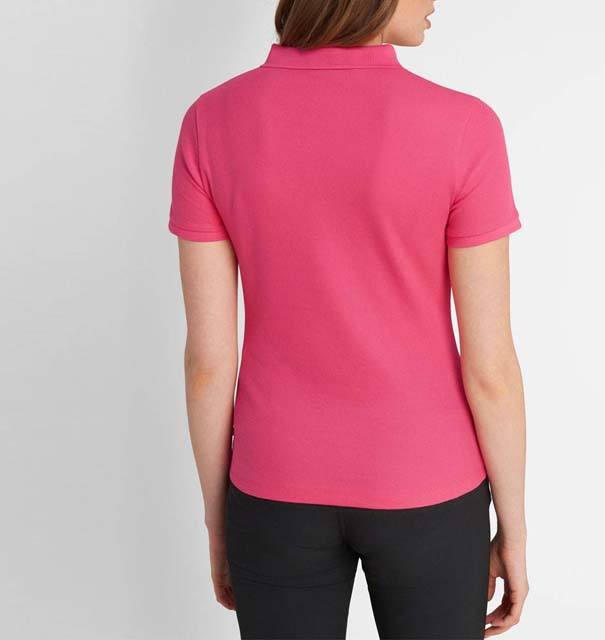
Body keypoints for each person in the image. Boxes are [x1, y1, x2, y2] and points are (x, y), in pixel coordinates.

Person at [168, 0, 529, 637]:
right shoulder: (464, 126)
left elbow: (208, 363)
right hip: (430, 489)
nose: (435, 2)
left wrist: (219, 521)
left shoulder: (211, 120)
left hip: (274, 491)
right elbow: (490, 368)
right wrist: (514, 530)